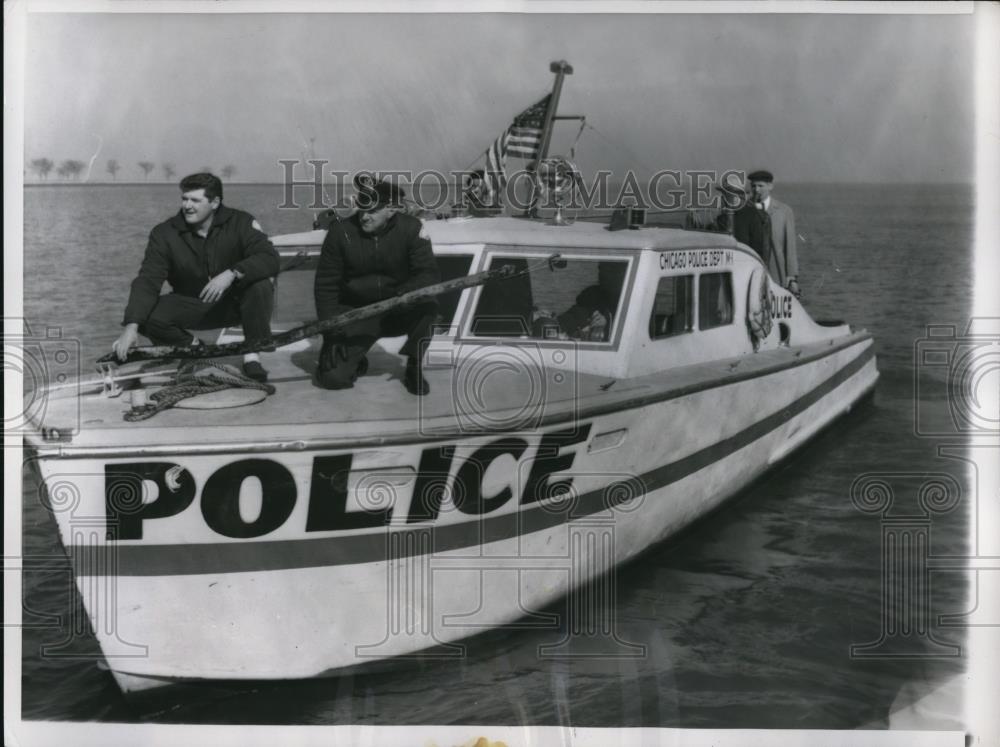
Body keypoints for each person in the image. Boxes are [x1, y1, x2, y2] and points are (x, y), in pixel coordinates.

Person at [111, 172, 280, 381]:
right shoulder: (164, 233)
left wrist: (232, 273)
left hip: (236, 305)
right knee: (144, 313)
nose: (187, 206)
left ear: (215, 202)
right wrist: (131, 327)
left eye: (195, 200)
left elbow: (270, 258)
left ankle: (252, 352)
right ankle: (192, 348)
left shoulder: (242, 222)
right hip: (195, 304)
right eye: (184, 199)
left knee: (260, 283)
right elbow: (148, 279)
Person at [314, 180, 440, 395]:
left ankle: (413, 365)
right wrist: (332, 333)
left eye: (372, 211)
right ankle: (357, 360)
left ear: (391, 209)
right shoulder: (339, 233)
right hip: (357, 313)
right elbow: (326, 286)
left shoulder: (412, 228)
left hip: (398, 308)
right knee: (332, 379)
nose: (364, 217)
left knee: (429, 305)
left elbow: (428, 273)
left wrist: (406, 292)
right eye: (362, 210)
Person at [739, 169, 800, 297]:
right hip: (750, 273)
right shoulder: (743, 211)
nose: (756, 190)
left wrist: (792, 276)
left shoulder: (784, 211)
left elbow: (790, 246)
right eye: (753, 186)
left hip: (777, 273)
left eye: (761, 186)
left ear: (770, 186)